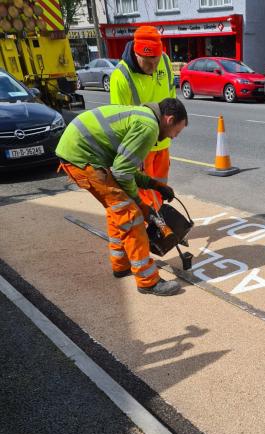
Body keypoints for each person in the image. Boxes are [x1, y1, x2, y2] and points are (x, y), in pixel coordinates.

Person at [56, 98, 188, 297]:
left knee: (117, 211)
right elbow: (121, 172)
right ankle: (148, 281)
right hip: (83, 159)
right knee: (131, 216)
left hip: (81, 154)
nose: (174, 137)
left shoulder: (143, 117)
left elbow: (123, 168)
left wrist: (155, 185)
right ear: (169, 119)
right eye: (176, 132)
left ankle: (121, 265)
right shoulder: (148, 127)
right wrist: (141, 204)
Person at [110, 25, 177, 211]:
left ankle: (158, 221)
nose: (154, 68)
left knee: (160, 186)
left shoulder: (164, 60)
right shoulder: (121, 76)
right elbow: (118, 121)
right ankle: (151, 227)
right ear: (137, 54)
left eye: (156, 61)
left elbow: (172, 97)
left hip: (162, 143)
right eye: (148, 63)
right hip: (140, 146)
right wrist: (131, 152)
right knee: (142, 191)